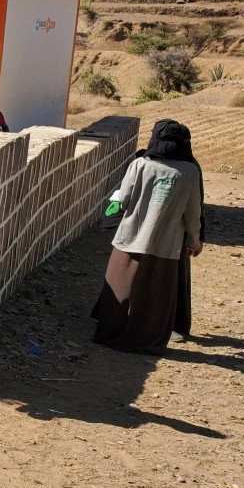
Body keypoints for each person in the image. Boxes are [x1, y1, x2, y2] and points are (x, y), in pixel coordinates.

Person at [91, 120, 203, 354]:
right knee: (156, 296)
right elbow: (193, 213)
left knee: (120, 289)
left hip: (130, 239)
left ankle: (110, 332)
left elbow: (121, 198)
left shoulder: (140, 164)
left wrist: (108, 215)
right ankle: (144, 340)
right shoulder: (190, 172)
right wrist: (194, 241)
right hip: (166, 245)